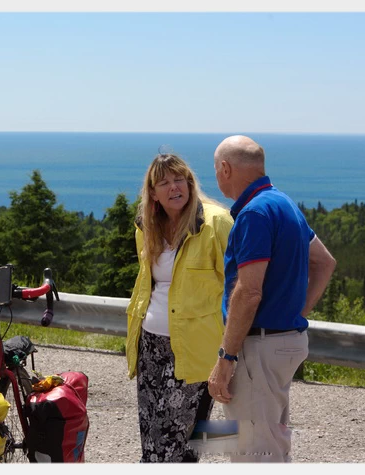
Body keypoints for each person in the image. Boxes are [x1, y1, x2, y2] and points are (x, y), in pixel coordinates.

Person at [207, 135, 336, 463]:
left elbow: (248, 292)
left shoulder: (254, 213)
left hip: (258, 349)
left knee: (252, 453)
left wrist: (225, 359)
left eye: (215, 169)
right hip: (285, 342)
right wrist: (294, 312)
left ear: (225, 169)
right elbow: (324, 262)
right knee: (271, 445)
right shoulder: (284, 203)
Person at [126, 153, 234, 463]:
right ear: (153, 194)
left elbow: (238, 285)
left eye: (180, 180)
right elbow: (150, 283)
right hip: (150, 346)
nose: (175, 187)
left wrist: (231, 350)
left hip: (195, 348)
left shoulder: (215, 222)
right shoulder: (146, 227)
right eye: (164, 182)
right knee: (151, 431)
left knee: (181, 439)